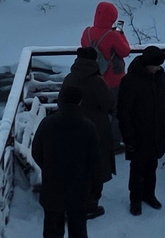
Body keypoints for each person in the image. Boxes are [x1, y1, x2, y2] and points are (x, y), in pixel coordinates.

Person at [29, 88, 101, 238]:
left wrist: (48, 167)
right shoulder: (88, 127)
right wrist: (95, 191)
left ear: (60, 101)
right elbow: (95, 163)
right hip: (79, 189)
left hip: (52, 186)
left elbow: (36, 152)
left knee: (52, 231)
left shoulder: (47, 124)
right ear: (80, 102)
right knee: (78, 230)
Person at [57, 48, 118, 218]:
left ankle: (74, 199)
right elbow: (108, 103)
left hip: (71, 128)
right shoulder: (97, 81)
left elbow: (61, 102)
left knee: (76, 164)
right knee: (95, 164)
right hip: (96, 128)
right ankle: (90, 204)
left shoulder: (70, 78)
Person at [113, 47, 165, 216]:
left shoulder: (159, 76)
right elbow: (123, 111)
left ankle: (149, 194)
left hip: (156, 129)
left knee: (152, 165)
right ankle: (135, 199)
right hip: (138, 131)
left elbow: (164, 98)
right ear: (147, 64)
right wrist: (129, 136)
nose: (159, 68)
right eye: (156, 65)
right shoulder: (131, 80)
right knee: (138, 167)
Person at [79, 2, 132, 89]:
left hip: (92, 77)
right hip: (112, 80)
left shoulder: (87, 32)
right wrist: (120, 34)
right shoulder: (113, 35)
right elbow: (125, 51)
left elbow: (84, 47)